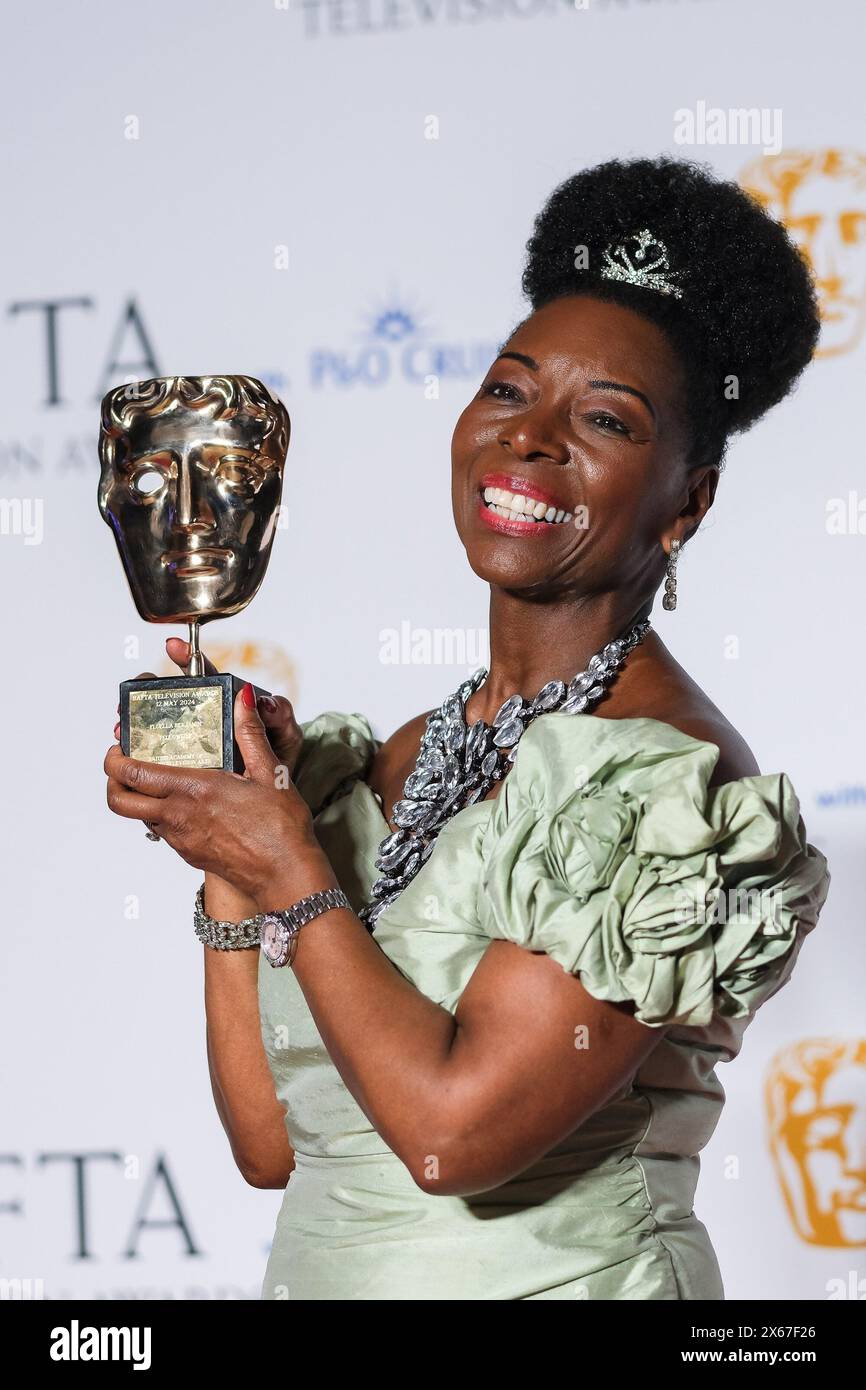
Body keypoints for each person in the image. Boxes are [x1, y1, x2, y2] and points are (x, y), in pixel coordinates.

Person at [105, 156, 832, 1300]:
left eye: (603, 418)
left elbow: (455, 1136)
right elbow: (275, 1147)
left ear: (684, 504)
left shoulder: (671, 783)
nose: (530, 439)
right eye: (507, 390)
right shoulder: (398, 756)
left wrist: (292, 865)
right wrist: (234, 853)